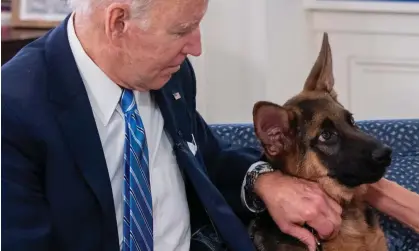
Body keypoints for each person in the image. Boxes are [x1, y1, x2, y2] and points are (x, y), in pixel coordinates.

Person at [1, 0, 418, 251]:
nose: (196, 47)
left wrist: (264, 181)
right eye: (182, 30)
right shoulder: (16, 110)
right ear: (118, 23)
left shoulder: (170, 75)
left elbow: (209, 157)